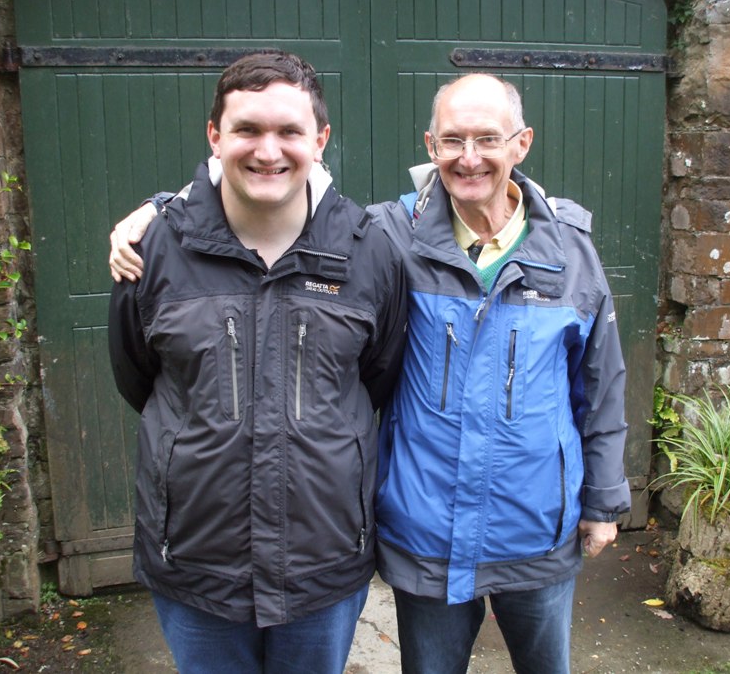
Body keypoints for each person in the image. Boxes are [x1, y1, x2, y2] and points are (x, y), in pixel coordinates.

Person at [109, 73, 629, 674]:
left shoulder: (569, 249)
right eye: (452, 140)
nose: (469, 157)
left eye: (488, 139)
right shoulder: (387, 236)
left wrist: (603, 499)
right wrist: (160, 209)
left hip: (536, 525)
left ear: (522, 143)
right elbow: (278, 182)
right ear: (429, 146)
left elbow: (600, 380)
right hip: (426, 531)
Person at [107, 51, 407, 674]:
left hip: (322, 563)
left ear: (320, 140)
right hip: (195, 560)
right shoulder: (152, 247)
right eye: (247, 129)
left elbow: (377, 379)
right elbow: (137, 376)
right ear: (216, 136)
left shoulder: (369, 252)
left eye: (289, 131)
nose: (268, 150)